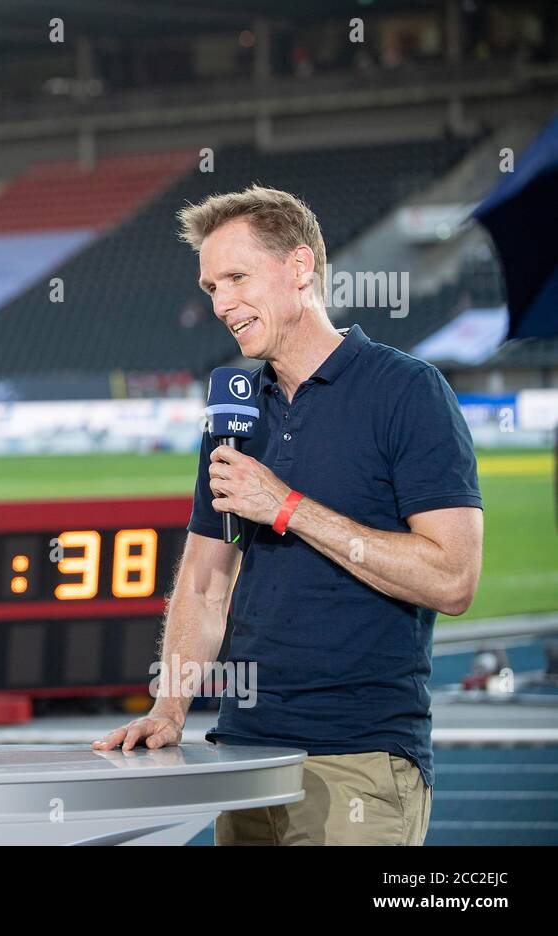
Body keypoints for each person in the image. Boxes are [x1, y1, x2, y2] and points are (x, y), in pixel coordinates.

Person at [94, 185, 483, 845]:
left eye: (237, 278)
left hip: (359, 760)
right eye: (212, 286)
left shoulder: (408, 392)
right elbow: (206, 581)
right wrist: (171, 706)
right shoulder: (235, 414)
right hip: (242, 758)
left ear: (300, 268)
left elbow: (452, 579)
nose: (220, 304)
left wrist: (287, 507)